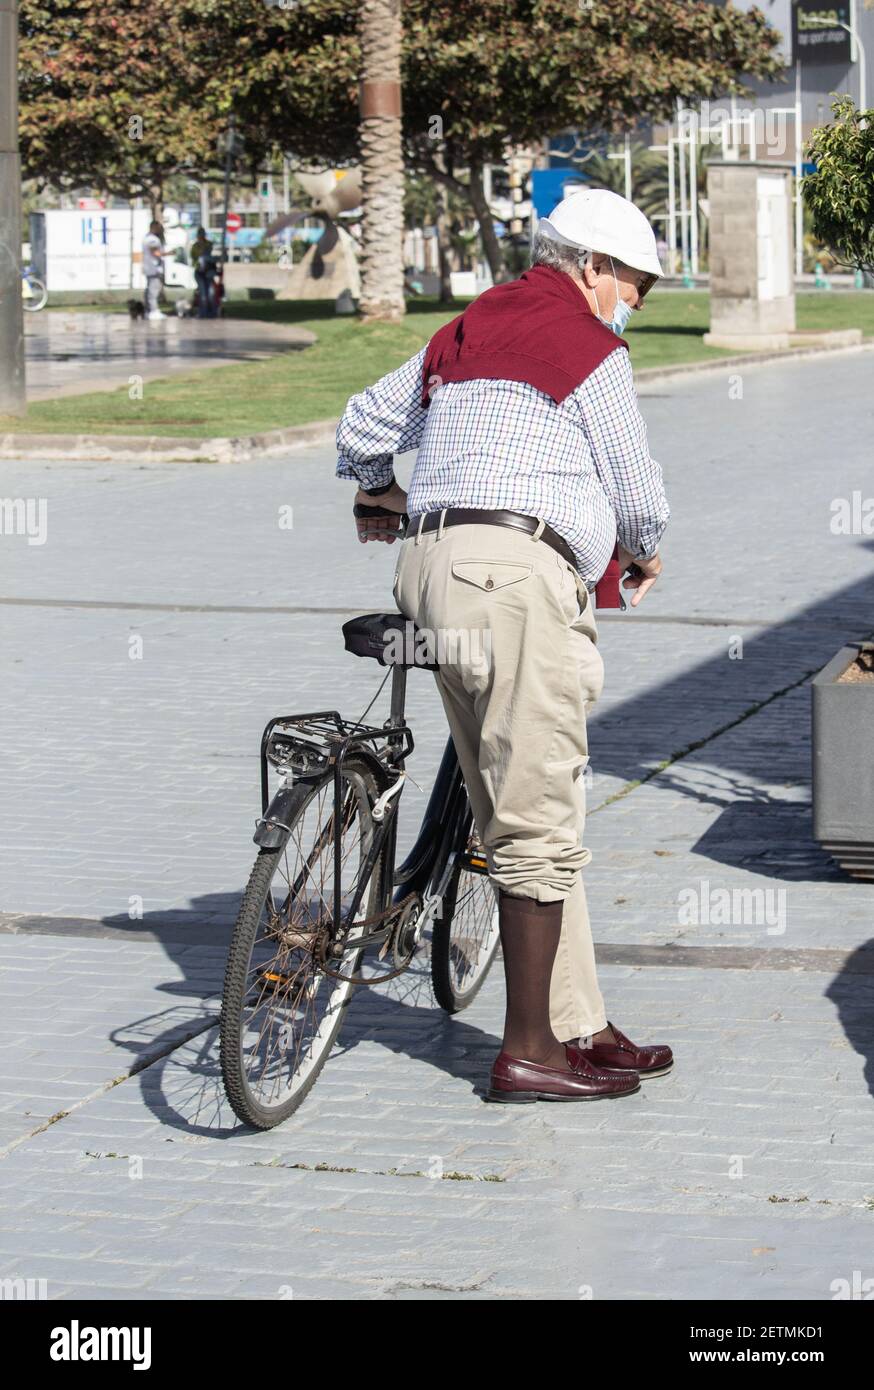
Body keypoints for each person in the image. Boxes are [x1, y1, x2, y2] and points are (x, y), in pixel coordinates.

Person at [336, 188, 674, 1103]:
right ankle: (530, 1052)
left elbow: (364, 425)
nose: (633, 304)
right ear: (594, 266)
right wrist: (643, 550)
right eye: (634, 285)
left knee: (523, 805)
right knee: (539, 819)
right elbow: (634, 484)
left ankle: (579, 1023)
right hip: (516, 580)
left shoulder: (468, 327)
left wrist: (379, 494)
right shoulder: (588, 346)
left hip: (430, 571)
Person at [142, 221, 166, 321]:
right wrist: (169, 253)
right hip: (154, 268)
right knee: (153, 291)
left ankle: (148, 310)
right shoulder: (153, 239)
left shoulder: (146, 237)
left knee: (150, 290)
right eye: (158, 228)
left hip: (149, 267)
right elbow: (155, 252)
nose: (160, 230)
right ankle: (153, 311)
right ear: (154, 227)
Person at [190, 226, 216, 318]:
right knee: (203, 293)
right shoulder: (195, 246)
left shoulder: (208, 244)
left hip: (208, 271)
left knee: (210, 293)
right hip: (199, 271)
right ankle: (203, 312)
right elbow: (194, 257)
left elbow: (208, 251)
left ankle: (212, 312)